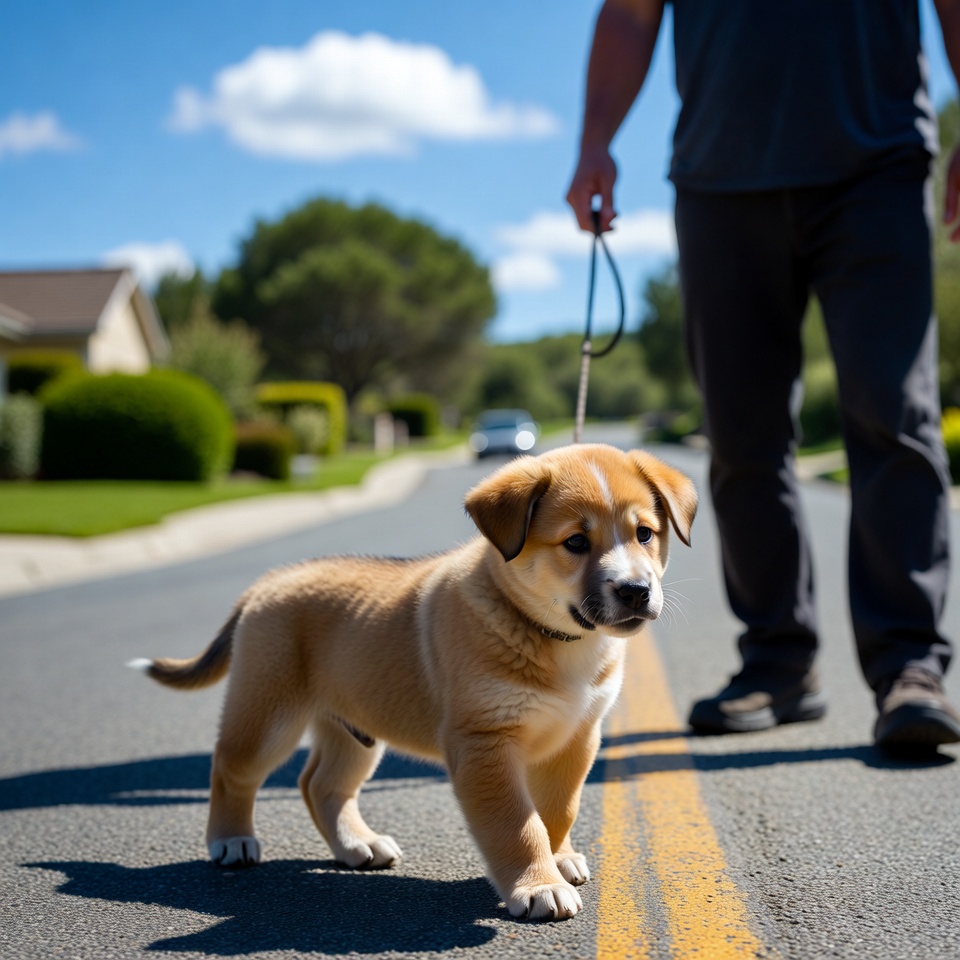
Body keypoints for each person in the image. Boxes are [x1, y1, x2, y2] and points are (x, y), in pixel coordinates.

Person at [567, 0, 960, 756]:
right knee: (742, 433)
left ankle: (911, 668)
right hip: (721, 180)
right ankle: (778, 664)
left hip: (876, 164)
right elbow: (628, 12)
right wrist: (594, 141)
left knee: (893, 411)